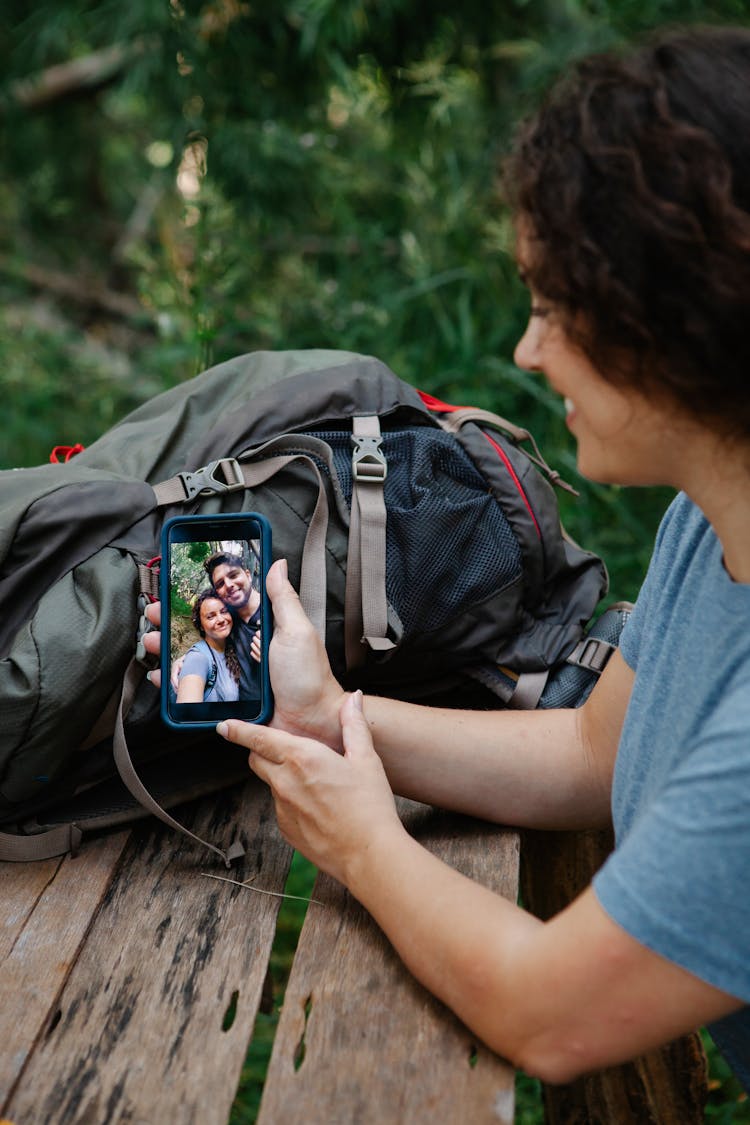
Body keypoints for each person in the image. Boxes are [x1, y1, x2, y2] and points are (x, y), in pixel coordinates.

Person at [146, 26, 750, 1087]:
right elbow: (598, 753)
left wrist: (365, 846)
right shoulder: (714, 523)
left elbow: (549, 1012)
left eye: (557, 307)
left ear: (685, 315)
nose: (527, 349)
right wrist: (331, 717)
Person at [204, 551, 262, 699]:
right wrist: (185, 660)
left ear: (248, 574)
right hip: (239, 712)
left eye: (233, 575)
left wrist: (276, 662)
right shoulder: (227, 620)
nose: (229, 585)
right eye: (220, 584)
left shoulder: (276, 610)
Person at [176, 589, 241, 703]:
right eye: (211, 617)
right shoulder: (197, 659)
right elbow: (187, 715)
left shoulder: (234, 649)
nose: (220, 619)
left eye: (224, 611)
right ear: (201, 626)